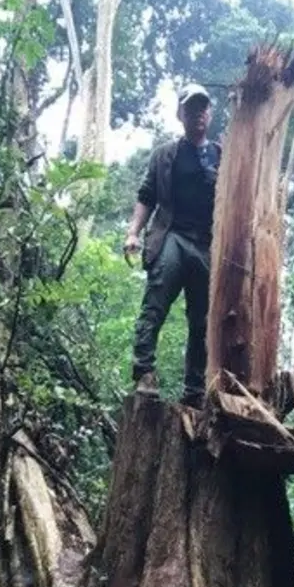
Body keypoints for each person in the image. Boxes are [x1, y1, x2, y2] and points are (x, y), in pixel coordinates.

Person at [123, 84, 221, 409]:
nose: (199, 115)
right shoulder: (165, 154)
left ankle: (194, 392)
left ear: (211, 113)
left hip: (207, 244)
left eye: (204, 108)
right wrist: (133, 233)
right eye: (192, 109)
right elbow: (146, 195)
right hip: (172, 236)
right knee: (155, 303)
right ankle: (145, 372)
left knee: (202, 321)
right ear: (181, 114)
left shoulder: (222, 155)